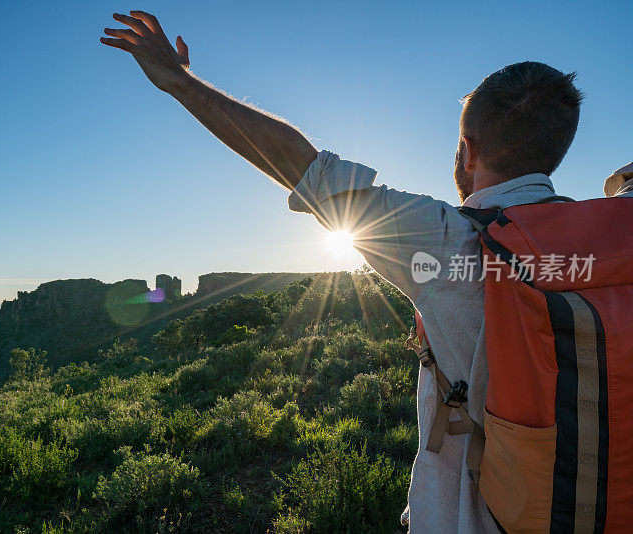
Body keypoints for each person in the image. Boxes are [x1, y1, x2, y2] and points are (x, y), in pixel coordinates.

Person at [101, 11, 585, 533]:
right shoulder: (611, 244)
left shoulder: (449, 241)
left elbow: (301, 166)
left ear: (466, 153)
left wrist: (178, 81)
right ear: (555, 154)